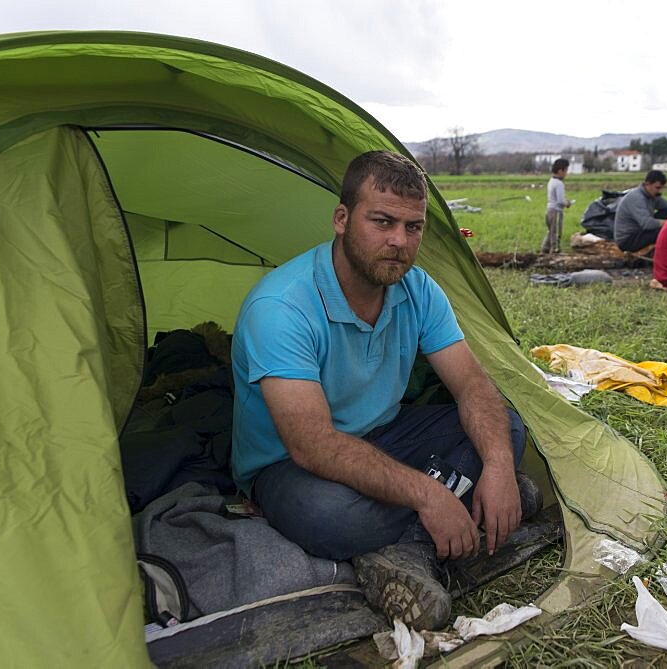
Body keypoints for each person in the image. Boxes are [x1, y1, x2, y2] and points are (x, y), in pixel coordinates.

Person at [230, 150, 534, 630]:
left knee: (506, 429)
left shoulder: (420, 289)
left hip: (385, 435)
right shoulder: (281, 307)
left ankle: (419, 538)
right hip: (291, 467)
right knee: (327, 514)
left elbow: (472, 384)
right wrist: (430, 496)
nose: (398, 241)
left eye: (413, 227)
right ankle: (447, 524)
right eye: (382, 221)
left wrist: (496, 467)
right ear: (342, 219)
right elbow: (313, 445)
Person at [613, 170, 667, 252]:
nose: (660, 191)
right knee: (665, 231)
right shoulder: (636, 198)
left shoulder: (652, 195)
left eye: (661, 188)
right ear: (648, 184)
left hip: (640, 231)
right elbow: (647, 224)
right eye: (657, 188)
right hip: (628, 240)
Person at [542, 158, 572, 253]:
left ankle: (545, 249)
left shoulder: (551, 181)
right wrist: (567, 203)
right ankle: (555, 250)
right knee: (556, 233)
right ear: (560, 171)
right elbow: (560, 201)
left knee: (551, 231)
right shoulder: (559, 184)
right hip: (556, 211)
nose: (566, 173)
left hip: (549, 210)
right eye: (566, 170)